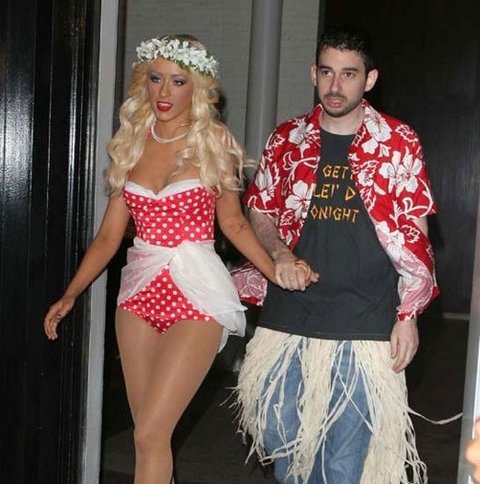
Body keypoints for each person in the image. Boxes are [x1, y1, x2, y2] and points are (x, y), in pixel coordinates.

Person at [43, 34, 312, 484]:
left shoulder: (213, 141)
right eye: (156, 79)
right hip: (138, 296)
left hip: (197, 295)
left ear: (197, 88)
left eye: (178, 81)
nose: (164, 92)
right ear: (144, 82)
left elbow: (235, 224)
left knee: (150, 433)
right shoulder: (132, 142)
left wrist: (275, 272)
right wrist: (70, 294)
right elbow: (108, 236)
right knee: (149, 439)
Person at [233, 27, 439, 483]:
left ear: (370, 79)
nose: (335, 85)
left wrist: (408, 315)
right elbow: (259, 210)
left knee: (341, 464)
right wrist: (279, 253)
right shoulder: (287, 138)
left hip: (364, 321)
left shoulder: (397, 141)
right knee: (280, 441)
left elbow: (416, 238)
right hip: (288, 316)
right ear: (313, 73)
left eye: (349, 74)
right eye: (327, 72)